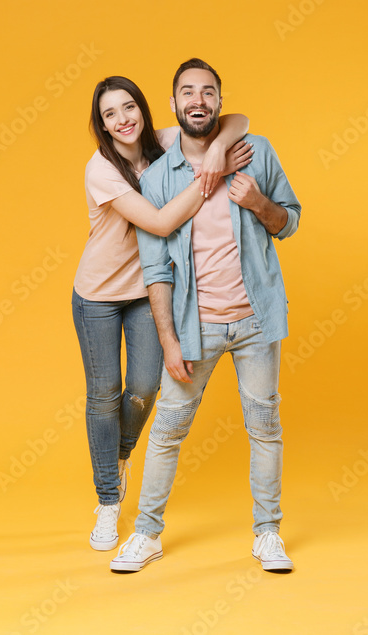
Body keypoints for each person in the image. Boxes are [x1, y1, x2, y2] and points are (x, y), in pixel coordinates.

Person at [109, 58, 301, 573]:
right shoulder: (159, 179)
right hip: (197, 327)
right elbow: (156, 271)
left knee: (265, 425)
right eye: (188, 93)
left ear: (220, 99)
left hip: (257, 322)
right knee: (169, 428)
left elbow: (290, 222)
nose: (199, 100)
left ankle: (268, 533)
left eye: (208, 92)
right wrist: (169, 341)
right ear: (173, 106)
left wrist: (260, 202)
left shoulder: (255, 153)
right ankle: (146, 534)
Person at [73, 75, 254, 551]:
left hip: (151, 290)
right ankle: (109, 501)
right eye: (110, 114)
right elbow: (158, 221)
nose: (123, 120)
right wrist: (210, 176)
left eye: (128, 107)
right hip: (99, 295)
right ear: (102, 125)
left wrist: (214, 151)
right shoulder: (101, 169)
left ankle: (120, 455)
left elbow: (237, 120)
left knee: (146, 387)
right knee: (105, 392)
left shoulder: (164, 143)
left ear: (144, 109)